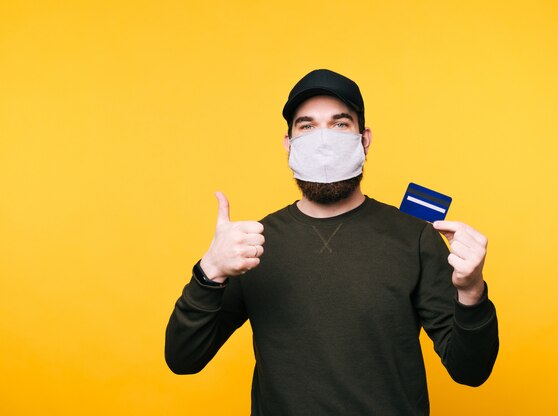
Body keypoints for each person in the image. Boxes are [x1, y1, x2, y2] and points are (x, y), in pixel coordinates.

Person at [165, 69, 499, 415]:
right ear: (288, 143)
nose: (323, 140)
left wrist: (471, 292)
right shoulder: (252, 245)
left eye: (340, 124)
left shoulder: (414, 236)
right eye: (307, 126)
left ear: (364, 139)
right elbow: (183, 358)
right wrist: (210, 271)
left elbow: (470, 371)